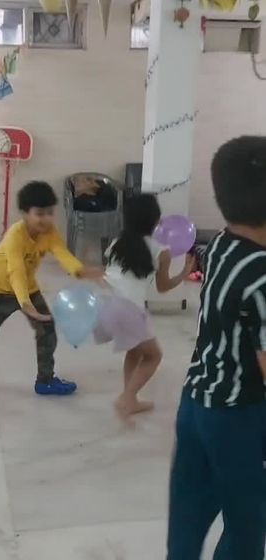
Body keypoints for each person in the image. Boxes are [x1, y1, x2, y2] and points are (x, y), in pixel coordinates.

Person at [167, 137, 266, 560]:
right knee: (246, 526)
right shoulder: (262, 275)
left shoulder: (219, 246)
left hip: (195, 401)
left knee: (188, 512)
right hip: (238, 414)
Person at [0, 181, 101, 401]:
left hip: (27, 286)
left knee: (46, 329)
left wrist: (81, 271)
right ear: (25, 213)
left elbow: (62, 254)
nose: (46, 219)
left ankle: (45, 380)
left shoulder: (50, 232)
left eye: (50, 213)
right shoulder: (15, 235)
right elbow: (15, 270)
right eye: (39, 213)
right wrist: (25, 304)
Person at [94, 194, 192, 416]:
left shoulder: (115, 244)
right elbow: (163, 287)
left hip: (106, 306)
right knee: (154, 356)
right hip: (129, 310)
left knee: (135, 352)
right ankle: (127, 398)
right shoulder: (161, 251)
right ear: (155, 220)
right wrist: (184, 274)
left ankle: (130, 398)